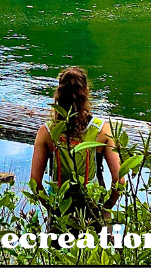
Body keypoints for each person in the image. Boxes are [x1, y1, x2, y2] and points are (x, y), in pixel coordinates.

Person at [29, 67, 122, 232]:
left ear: (58, 95)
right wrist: (106, 208)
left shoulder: (47, 132)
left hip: (60, 212)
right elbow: (119, 180)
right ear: (86, 93)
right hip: (92, 212)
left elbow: (35, 183)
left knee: (58, 255)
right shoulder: (102, 131)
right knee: (94, 256)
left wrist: (52, 209)